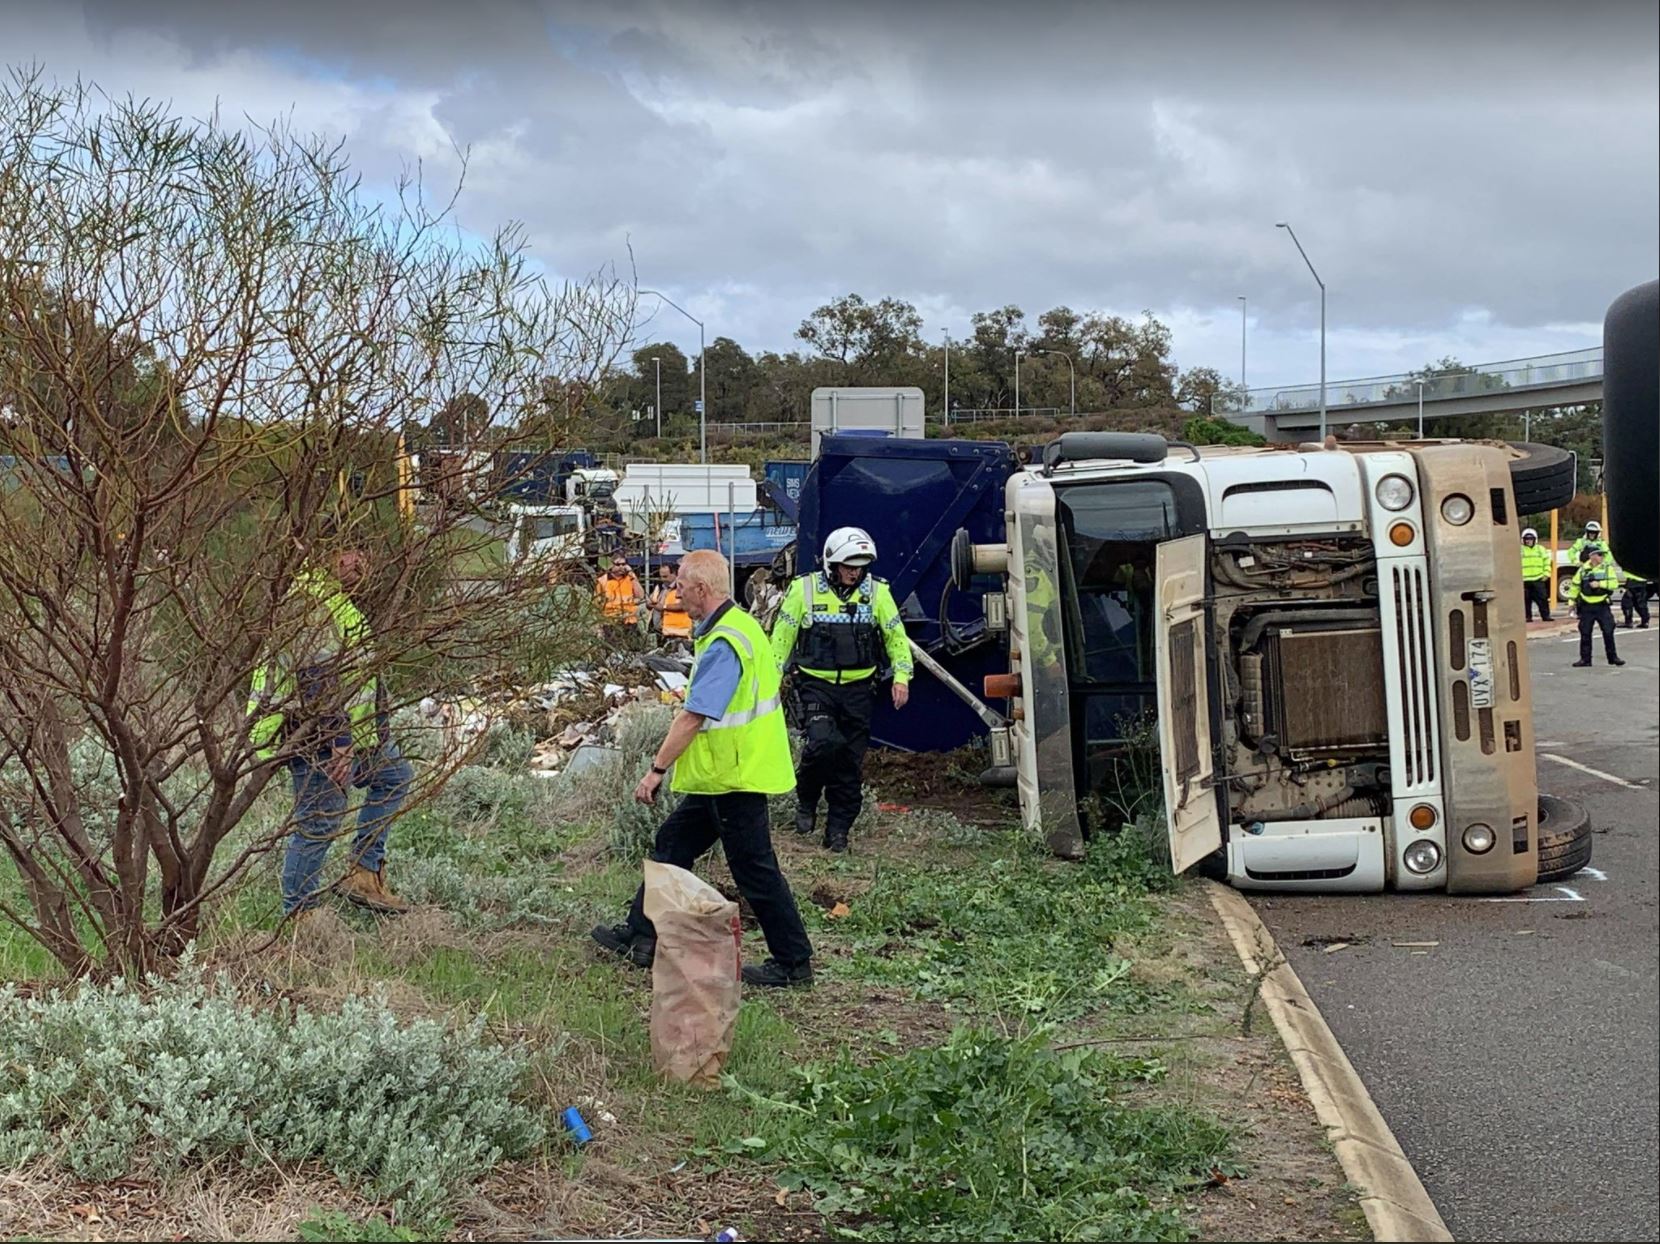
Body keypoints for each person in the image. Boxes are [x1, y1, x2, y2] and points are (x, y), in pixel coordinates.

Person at [590, 550, 814, 987]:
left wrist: (656, 769)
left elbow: (695, 715)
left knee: (754, 868)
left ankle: (792, 962)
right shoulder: (741, 628)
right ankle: (640, 937)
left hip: (733, 775)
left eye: (681, 587)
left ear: (702, 589)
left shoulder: (726, 642)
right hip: (723, 774)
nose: (675, 593)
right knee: (671, 845)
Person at [249, 541, 413, 917]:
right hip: (315, 737)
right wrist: (339, 741)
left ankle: (363, 873)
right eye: (349, 550)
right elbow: (316, 678)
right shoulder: (309, 601)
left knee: (395, 775)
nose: (360, 560)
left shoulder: (335, 598)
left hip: (357, 737)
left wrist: (370, 732)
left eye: (363, 550)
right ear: (323, 553)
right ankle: (299, 918)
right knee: (319, 822)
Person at [769, 527, 913, 853]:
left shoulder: (877, 593)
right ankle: (806, 797)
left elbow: (894, 636)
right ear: (832, 564)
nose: (855, 572)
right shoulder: (803, 590)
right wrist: (771, 678)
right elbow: (782, 636)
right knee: (823, 744)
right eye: (848, 565)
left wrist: (902, 676)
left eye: (860, 566)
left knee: (849, 763)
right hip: (815, 685)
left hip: (859, 690)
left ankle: (838, 833)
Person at [1567, 547, 1625, 668]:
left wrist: (1600, 584)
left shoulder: (1607, 568)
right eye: (1599, 555)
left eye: (1602, 555)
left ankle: (1613, 658)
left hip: (1602, 605)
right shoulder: (1582, 570)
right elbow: (1575, 586)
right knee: (1585, 633)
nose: (1602, 557)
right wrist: (1571, 603)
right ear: (1592, 556)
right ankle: (1585, 659)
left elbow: (1614, 584)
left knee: (1608, 631)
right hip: (1586, 606)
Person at [596, 553, 645, 628]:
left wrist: (632, 576)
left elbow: (640, 595)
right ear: (612, 565)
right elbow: (597, 604)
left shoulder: (630, 578)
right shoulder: (603, 580)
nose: (621, 567)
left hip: (630, 621)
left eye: (623, 564)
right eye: (618, 564)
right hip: (611, 622)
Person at [648, 561, 692, 641]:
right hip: (662, 633)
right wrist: (650, 604)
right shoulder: (660, 587)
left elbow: (684, 605)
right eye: (661, 576)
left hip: (680, 634)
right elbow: (651, 603)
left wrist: (663, 607)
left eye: (665, 576)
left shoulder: (683, 588)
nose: (662, 579)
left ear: (674, 574)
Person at [1520, 527, 1553, 623]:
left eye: (1530, 539)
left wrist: (1546, 574)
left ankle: (1546, 616)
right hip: (1524, 580)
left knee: (1543, 599)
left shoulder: (1541, 549)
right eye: (1526, 539)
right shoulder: (1520, 550)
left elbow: (1547, 562)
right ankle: (1527, 617)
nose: (1528, 541)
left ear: (1535, 539)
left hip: (1538, 578)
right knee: (1526, 600)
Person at [1618, 564, 1651, 629]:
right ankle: (1645, 621)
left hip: (1633, 581)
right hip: (1640, 581)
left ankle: (1629, 622)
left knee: (1627, 603)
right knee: (1640, 603)